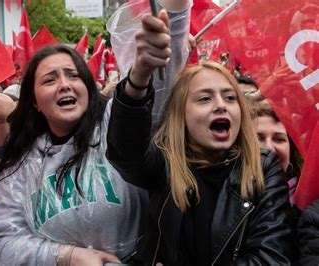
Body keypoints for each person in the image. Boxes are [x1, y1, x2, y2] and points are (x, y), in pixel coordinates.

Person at [0, 4, 192, 265]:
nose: (64, 85)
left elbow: (160, 75)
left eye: (73, 75)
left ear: (89, 89)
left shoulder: (119, 124)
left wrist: (161, 36)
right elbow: (4, 241)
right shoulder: (21, 166)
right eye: (50, 79)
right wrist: (69, 257)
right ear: (35, 102)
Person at [107, 56, 294, 264]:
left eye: (230, 98)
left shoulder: (264, 167)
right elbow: (125, 151)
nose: (221, 106)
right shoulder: (164, 162)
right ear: (181, 114)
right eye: (205, 99)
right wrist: (140, 75)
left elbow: (271, 258)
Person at [250, 104, 303, 205]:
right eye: (258, 138)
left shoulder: (309, 204)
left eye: (279, 139)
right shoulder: (221, 195)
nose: (269, 148)